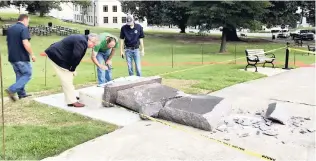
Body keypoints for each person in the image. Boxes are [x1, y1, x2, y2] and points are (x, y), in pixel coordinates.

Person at [42, 33, 99, 107]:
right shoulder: (82, 41)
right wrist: (72, 68)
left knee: (69, 77)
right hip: (57, 56)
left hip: (58, 55)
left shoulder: (82, 38)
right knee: (66, 79)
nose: (93, 46)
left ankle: (71, 97)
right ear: (90, 40)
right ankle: (72, 101)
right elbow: (76, 56)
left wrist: (72, 69)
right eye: (94, 44)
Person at [5, 14, 36, 102]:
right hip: (21, 57)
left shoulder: (10, 29)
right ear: (25, 20)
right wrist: (32, 54)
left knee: (20, 75)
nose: (28, 23)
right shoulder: (23, 28)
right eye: (28, 21)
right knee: (27, 74)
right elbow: (26, 43)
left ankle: (21, 94)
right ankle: (11, 90)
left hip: (12, 57)